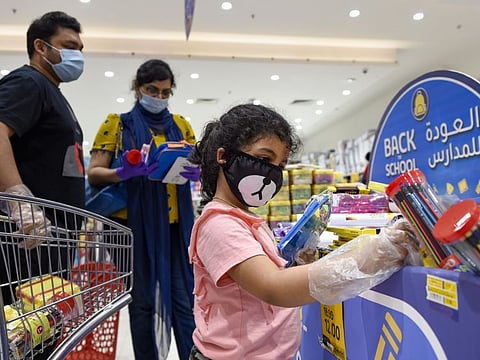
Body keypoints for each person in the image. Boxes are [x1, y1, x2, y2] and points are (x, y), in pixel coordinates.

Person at [187, 104, 421, 359]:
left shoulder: (246, 218)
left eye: (280, 165)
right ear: (223, 156)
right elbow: (272, 287)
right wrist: (370, 255)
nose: (272, 173)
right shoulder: (219, 224)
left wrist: (294, 263)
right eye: (264, 159)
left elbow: (258, 280)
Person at [87, 59, 198, 360]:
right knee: (143, 303)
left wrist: (198, 173)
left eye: (165, 92)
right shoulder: (117, 123)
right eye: (152, 90)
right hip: (133, 231)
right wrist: (124, 172)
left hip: (177, 230)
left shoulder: (182, 126)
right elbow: (94, 173)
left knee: (185, 301)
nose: (159, 97)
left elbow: (197, 163)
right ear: (137, 88)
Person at [0, 11, 85, 359]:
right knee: (24, 335)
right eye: (69, 46)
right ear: (40, 46)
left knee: (41, 336)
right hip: (29, 238)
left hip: (49, 237)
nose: (77, 55)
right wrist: (20, 200)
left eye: (80, 48)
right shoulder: (28, 83)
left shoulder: (52, 91)